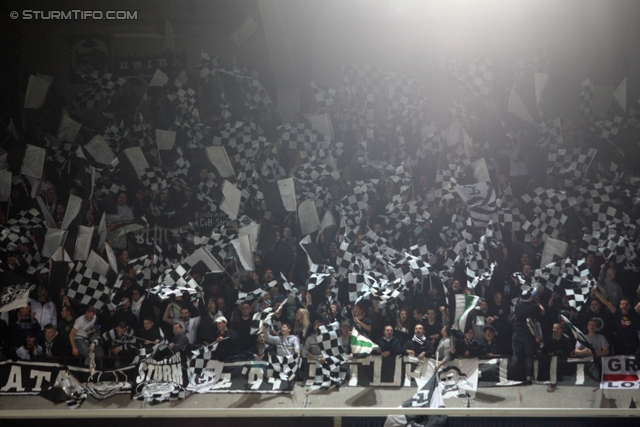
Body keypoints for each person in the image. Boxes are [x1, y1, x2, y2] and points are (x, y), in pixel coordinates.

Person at [592, 287, 640, 355]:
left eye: (626, 304)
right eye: (622, 304)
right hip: (620, 344)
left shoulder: (633, 313)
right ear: (620, 306)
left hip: (633, 344)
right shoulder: (617, 313)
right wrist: (596, 293)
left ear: (629, 306)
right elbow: (607, 303)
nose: (624, 305)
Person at [512, 290, 544, 382]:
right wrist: (538, 303)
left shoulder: (517, 306)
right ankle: (529, 376)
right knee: (529, 355)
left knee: (517, 355)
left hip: (517, 333)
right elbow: (542, 312)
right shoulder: (533, 307)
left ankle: (517, 376)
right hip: (528, 333)